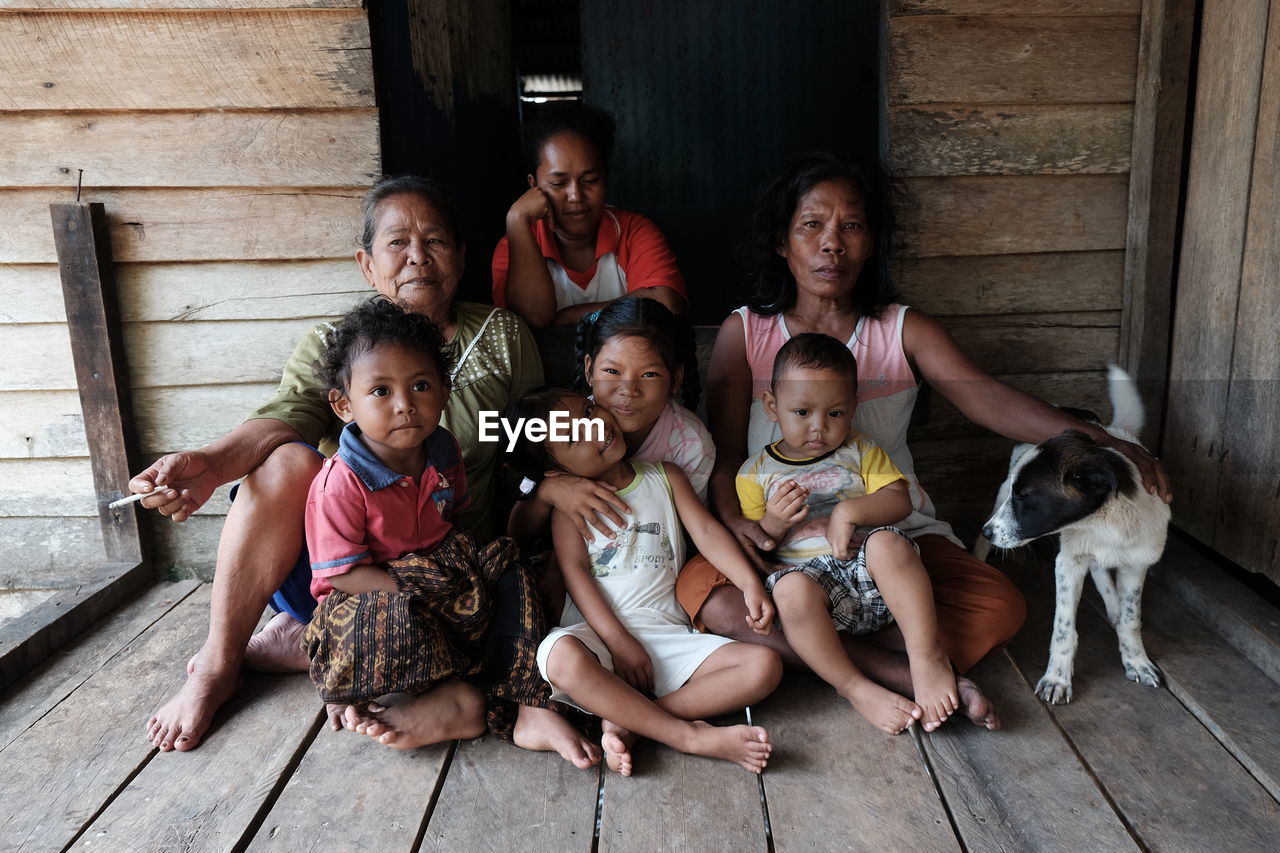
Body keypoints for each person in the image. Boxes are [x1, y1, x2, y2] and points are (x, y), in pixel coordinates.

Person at [682, 152, 1172, 729]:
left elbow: (987, 400)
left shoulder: (901, 329)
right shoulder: (746, 334)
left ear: (871, 243)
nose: (832, 243)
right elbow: (726, 455)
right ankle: (904, 673)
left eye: (852, 226)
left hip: (892, 538)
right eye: (811, 225)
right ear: (781, 242)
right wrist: (737, 523)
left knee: (1000, 607)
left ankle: (829, 657)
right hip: (779, 542)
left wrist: (1105, 440)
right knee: (702, 593)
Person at [134, 176, 595, 767]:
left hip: (453, 571)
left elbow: (530, 435)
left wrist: (564, 471)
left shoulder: (501, 334)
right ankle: (220, 665)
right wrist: (213, 464)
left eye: (435, 241)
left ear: (460, 255)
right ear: (366, 263)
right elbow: (284, 420)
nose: (418, 256)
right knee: (288, 461)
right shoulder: (336, 345)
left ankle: (310, 648)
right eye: (397, 242)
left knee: (521, 584)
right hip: (350, 573)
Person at [299, 297, 576, 755]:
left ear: (445, 391)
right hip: (374, 591)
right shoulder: (341, 483)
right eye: (381, 391)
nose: (405, 405)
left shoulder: (443, 448)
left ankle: (514, 701)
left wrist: (465, 583)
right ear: (344, 405)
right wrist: (418, 592)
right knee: (375, 625)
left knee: (513, 572)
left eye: (421, 385)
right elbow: (341, 575)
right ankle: (427, 696)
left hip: (442, 574)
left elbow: (455, 521)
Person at [506, 389, 782, 775]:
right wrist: (617, 641)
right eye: (573, 436)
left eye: (588, 410)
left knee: (763, 666)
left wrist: (749, 582)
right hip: (599, 638)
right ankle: (687, 736)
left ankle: (635, 720)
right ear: (554, 471)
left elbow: (705, 531)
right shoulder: (569, 507)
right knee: (559, 655)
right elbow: (575, 573)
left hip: (667, 636)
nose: (594, 426)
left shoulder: (666, 476)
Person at [738, 333, 958, 734]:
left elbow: (899, 500)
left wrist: (848, 511)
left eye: (835, 413)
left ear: (854, 406)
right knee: (788, 590)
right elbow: (759, 541)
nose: (819, 427)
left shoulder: (861, 450)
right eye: (802, 412)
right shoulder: (755, 473)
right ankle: (854, 687)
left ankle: (925, 656)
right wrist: (773, 521)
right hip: (814, 595)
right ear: (772, 406)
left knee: (888, 542)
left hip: (870, 576)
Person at [492, 105, 688, 329]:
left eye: (590, 180)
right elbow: (531, 320)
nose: (576, 196)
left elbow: (666, 306)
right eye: (559, 183)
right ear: (533, 185)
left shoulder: (634, 231)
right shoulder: (514, 245)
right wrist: (516, 219)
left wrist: (564, 317)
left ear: (605, 178)